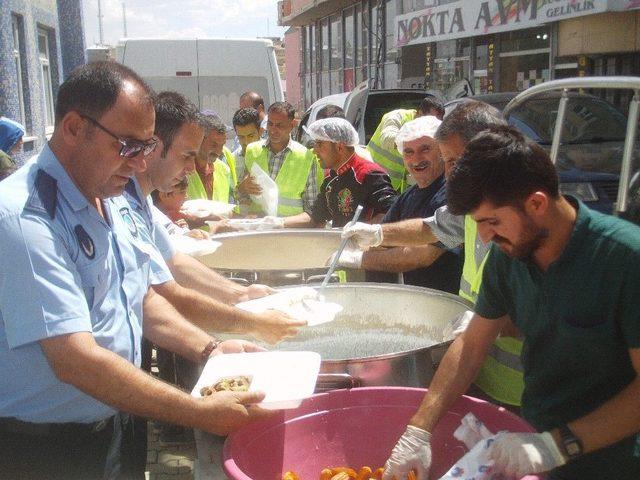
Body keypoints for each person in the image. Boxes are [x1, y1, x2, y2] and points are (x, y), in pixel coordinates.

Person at [0, 61, 272, 480]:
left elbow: (139, 296)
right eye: (129, 146)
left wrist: (209, 349)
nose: (141, 164)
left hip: (117, 420)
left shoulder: (102, 192)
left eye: (146, 147)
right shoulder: (25, 216)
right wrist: (198, 412)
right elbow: (75, 360)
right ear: (73, 128)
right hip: (46, 449)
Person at [383, 126, 640, 480]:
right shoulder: (509, 256)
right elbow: (472, 344)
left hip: (614, 461)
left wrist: (557, 446)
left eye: (492, 221)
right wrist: (418, 429)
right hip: (533, 439)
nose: (485, 236)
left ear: (536, 203)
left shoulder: (625, 259)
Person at [343, 101, 524, 411]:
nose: (451, 172)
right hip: (478, 369)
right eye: (449, 161)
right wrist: (377, 234)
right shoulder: (469, 202)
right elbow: (430, 228)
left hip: (520, 387)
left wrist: (486, 325)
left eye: (455, 160)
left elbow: (538, 315)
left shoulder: (523, 221)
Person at [337, 116, 462, 294]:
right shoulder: (408, 196)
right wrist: (362, 241)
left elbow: (420, 256)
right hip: (417, 299)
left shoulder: (451, 193)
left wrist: (360, 259)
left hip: (448, 300)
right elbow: (382, 241)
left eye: (425, 149)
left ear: (441, 150)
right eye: (408, 152)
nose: (416, 159)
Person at [281, 117, 396, 228]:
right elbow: (315, 217)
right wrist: (279, 223)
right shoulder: (330, 178)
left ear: (339, 147)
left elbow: (392, 213)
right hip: (340, 246)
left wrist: (362, 230)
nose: (315, 150)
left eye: (320, 144)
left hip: (364, 246)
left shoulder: (369, 174)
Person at [240, 101, 323, 217]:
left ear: (292, 125)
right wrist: (243, 187)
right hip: (258, 230)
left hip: (289, 232)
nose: (273, 130)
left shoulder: (306, 158)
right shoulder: (252, 151)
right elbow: (240, 195)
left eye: (280, 125)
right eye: (270, 124)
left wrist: (281, 224)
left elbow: (311, 210)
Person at [367, 96, 445, 192]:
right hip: (372, 179)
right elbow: (386, 139)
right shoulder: (396, 117)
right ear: (419, 113)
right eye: (429, 121)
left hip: (397, 187)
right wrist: (412, 142)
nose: (430, 126)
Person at [186, 112, 238, 206]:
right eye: (214, 145)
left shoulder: (223, 170)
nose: (219, 151)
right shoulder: (183, 169)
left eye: (222, 145)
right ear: (199, 139)